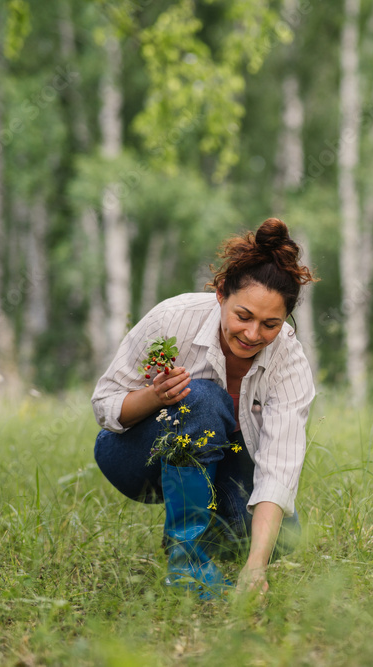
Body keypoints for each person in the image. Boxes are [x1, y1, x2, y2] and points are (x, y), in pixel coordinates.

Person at [91, 218, 317, 594]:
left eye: (269, 324)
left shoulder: (288, 362)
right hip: (134, 456)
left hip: (222, 464)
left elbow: (279, 467)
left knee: (280, 539)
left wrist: (255, 569)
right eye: (243, 316)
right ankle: (187, 565)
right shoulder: (172, 318)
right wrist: (156, 397)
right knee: (203, 398)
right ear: (220, 295)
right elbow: (105, 405)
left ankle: (201, 537)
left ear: (286, 320)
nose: (252, 334)